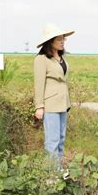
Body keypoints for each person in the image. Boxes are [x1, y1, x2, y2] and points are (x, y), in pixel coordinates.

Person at [34, 23, 75, 169]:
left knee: (61, 139)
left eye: (63, 38)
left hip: (63, 104)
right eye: (59, 39)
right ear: (50, 41)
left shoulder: (62, 58)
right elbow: (39, 84)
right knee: (52, 141)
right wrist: (39, 106)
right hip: (50, 104)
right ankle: (52, 175)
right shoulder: (42, 59)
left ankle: (58, 170)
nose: (62, 41)